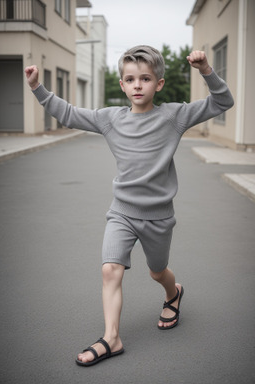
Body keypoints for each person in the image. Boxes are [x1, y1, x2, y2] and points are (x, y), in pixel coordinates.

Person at [25, 46, 234, 367]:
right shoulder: (111, 119)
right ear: (122, 84)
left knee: (157, 271)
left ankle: (173, 293)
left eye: (146, 78)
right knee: (110, 270)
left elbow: (223, 102)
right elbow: (68, 114)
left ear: (159, 84)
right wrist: (38, 88)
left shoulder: (174, 116)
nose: (138, 85)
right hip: (121, 213)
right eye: (130, 79)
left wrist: (206, 68)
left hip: (159, 217)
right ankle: (112, 338)